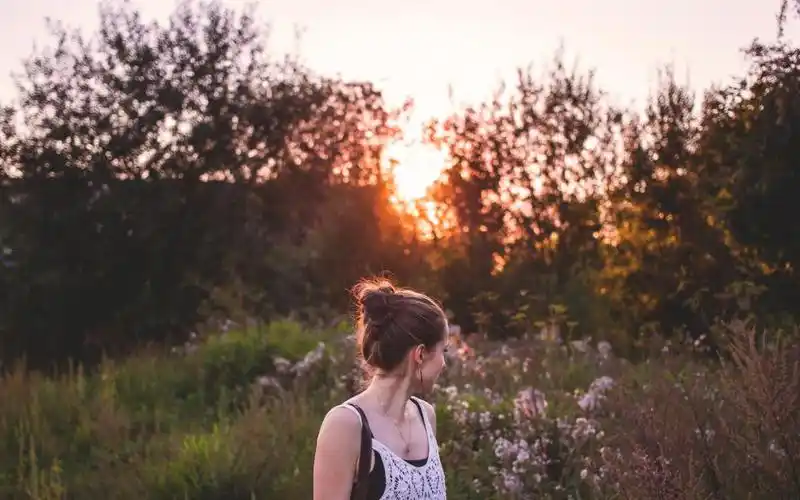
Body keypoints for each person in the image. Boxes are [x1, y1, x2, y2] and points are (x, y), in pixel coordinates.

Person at [313, 278, 449, 500]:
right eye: (444, 350)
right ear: (421, 354)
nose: (444, 363)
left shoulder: (426, 417)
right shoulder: (345, 425)